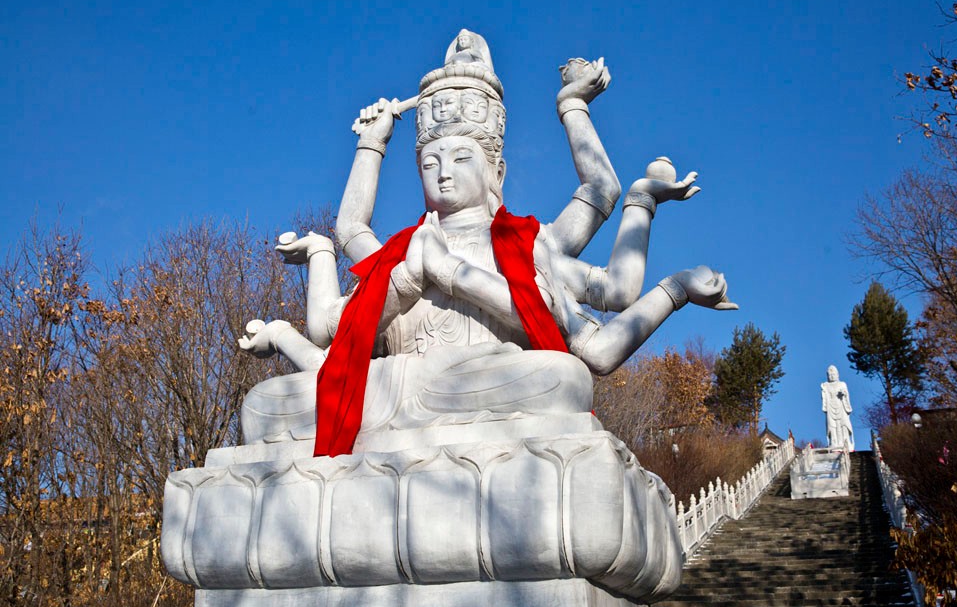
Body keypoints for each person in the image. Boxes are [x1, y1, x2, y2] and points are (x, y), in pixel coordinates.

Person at [239, 32, 736, 456]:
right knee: (263, 406)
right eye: (431, 163)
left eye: (460, 159)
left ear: (495, 170)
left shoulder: (527, 243)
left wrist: (574, 109)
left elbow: (601, 205)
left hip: (488, 387)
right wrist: (372, 143)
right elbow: (347, 252)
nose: (445, 174)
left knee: (562, 380)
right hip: (393, 396)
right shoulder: (403, 250)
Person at [821, 365, 854, 450]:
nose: (831, 376)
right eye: (829, 375)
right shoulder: (826, 385)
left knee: (843, 424)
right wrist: (823, 390)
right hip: (830, 406)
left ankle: (845, 441)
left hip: (841, 405)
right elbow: (825, 396)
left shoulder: (842, 384)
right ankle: (834, 442)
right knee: (832, 426)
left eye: (833, 374)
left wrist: (844, 394)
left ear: (837, 375)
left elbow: (846, 394)